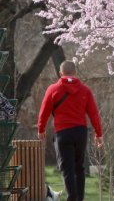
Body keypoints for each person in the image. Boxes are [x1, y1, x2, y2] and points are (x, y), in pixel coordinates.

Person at [38, 61, 103, 201]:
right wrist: (98, 133)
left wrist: (41, 129)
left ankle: (72, 198)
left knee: (67, 168)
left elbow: (44, 112)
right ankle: (79, 199)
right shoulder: (85, 90)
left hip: (63, 133)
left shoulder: (53, 89)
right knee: (79, 167)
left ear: (60, 73)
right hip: (81, 132)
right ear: (75, 73)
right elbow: (93, 114)